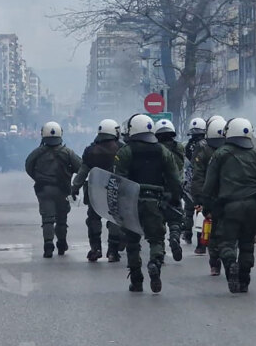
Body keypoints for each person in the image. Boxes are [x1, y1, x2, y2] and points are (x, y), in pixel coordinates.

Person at [113, 114, 181, 294]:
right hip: (155, 201)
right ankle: (155, 263)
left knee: (132, 241)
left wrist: (118, 204)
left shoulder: (125, 152)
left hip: (131, 202)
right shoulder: (163, 151)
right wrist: (175, 199)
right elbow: (174, 178)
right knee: (156, 238)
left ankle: (136, 280)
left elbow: (118, 180)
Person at [202, 118, 256, 293]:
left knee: (227, 242)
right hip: (252, 207)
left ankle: (231, 264)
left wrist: (206, 205)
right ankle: (244, 280)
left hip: (228, 207)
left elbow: (209, 184)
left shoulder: (220, 154)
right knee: (247, 243)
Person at [25, 121, 82, 259]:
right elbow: (80, 167)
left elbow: (28, 166)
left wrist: (38, 178)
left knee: (47, 219)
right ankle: (61, 243)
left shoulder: (37, 153)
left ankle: (48, 245)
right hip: (63, 190)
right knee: (62, 218)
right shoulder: (67, 152)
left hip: (44, 189)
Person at [71, 119, 125, 263]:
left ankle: (95, 249)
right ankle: (113, 251)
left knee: (93, 219)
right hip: (115, 190)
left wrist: (75, 188)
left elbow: (83, 171)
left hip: (95, 191)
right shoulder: (122, 149)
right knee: (114, 219)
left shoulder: (91, 150)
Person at [190, 116, 225, 259]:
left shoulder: (204, 150)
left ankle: (202, 246)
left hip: (208, 193)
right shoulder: (231, 150)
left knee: (204, 219)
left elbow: (197, 175)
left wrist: (198, 198)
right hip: (228, 193)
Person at [153, 119, 186, 262]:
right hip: (175, 188)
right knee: (175, 219)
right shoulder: (180, 148)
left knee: (158, 223)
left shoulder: (155, 149)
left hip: (158, 190)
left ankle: (159, 252)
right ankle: (174, 236)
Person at [182, 117, 207, 244]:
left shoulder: (187, 145)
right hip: (202, 181)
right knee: (200, 211)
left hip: (190, 180)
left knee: (188, 210)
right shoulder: (207, 145)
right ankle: (200, 238)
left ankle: (187, 233)